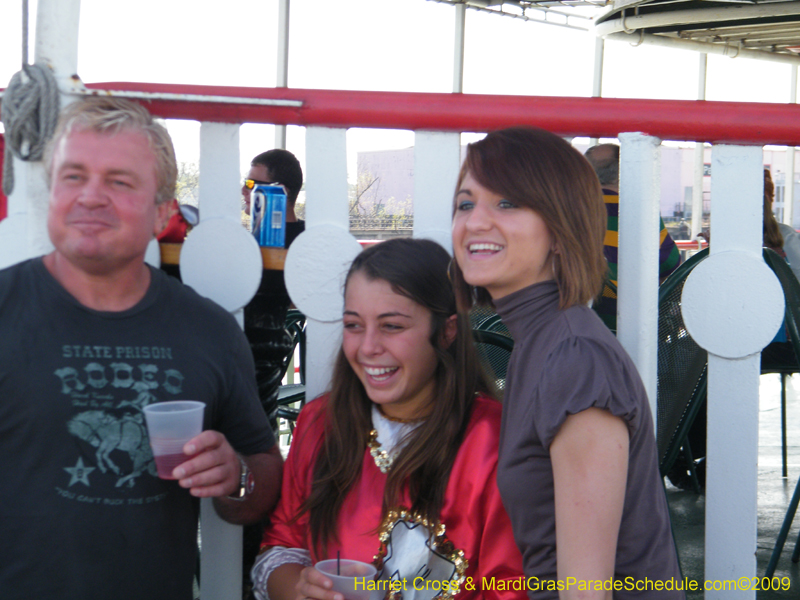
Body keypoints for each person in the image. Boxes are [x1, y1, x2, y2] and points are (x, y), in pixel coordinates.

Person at [0, 97, 282, 600]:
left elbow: (262, 475)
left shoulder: (210, 332)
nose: (91, 196)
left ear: (162, 213)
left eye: (119, 181)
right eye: (73, 176)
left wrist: (235, 475)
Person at [451, 127, 683, 599]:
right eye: (465, 203)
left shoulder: (576, 360)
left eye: (507, 203)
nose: (475, 221)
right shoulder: (542, 340)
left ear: (560, 230)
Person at [251, 238, 526, 600]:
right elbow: (283, 545)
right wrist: (299, 589)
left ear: (447, 331)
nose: (368, 347)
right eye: (353, 325)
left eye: (392, 326)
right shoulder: (321, 423)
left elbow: (515, 586)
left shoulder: (497, 442)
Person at [584, 143, 681, 328]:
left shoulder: (570, 210)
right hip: (632, 323)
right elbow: (670, 267)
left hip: (581, 317)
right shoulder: (642, 213)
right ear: (624, 171)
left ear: (586, 173)